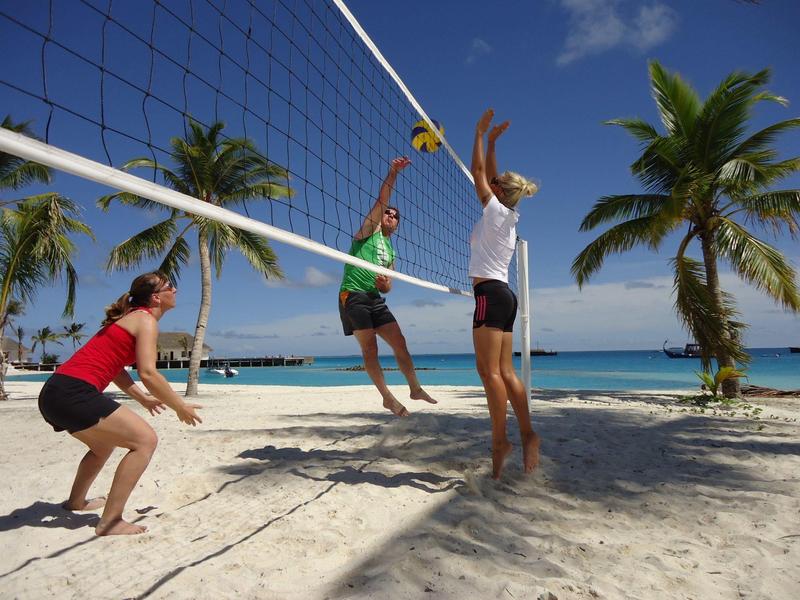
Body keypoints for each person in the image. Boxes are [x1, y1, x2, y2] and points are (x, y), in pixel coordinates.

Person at [38, 271, 202, 535]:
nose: (176, 290)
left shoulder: (130, 319)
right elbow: (148, 373)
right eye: (171, 286)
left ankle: (76, 502)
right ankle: (110, 521)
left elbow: (115, 369)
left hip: (55, 392)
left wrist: (143, 399)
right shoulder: (146, 321)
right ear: (156, 298)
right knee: (145, 441)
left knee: (102, 446)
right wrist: (179, 406)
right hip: (72, 392)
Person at [469, 108, 540, 479]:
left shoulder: (495, 211)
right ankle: (527, 434)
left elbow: (479, 172)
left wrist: (479, 134)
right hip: (505, 296)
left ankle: (500, 440)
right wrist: (494, 142)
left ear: (498, 192)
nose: (490, 183)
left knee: (488, 373)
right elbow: (491, 175)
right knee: (506, 370)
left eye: (495, 184)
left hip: (490, 295)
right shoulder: (510, 214)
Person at [338, 156, 437, 417]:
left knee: (400, 342)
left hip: (374, 298)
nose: (391, 215)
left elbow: (387, 288)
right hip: (353, 295)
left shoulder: (391, 251)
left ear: (397, 225)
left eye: (396, 216)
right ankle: (387, 398)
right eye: (388, 213)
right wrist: (393, 173)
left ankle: (415, 389)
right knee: (370, 348)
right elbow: (381, 200)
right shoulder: (368, 232)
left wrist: (384, 285)